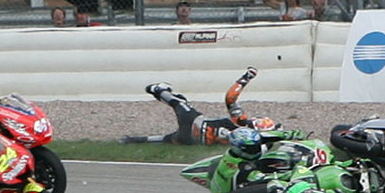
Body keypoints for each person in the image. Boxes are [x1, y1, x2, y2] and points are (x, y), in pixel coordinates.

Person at [121, 68, 296, 145]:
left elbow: (230, 98)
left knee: (179, 103)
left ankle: (158, 90)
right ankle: (132, 140)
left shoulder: (241, 122)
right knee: (165, 139)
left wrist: (246, 78)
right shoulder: (251, 146)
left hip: (195, 123)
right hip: (194, 141)